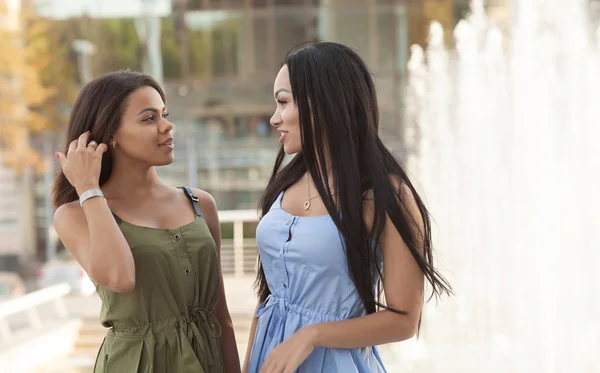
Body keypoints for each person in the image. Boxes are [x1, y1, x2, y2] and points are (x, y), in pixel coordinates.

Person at [242, 42, 452, 373]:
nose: (274, 118)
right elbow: (267, 297)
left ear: (320, 103)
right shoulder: (287, 182)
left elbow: (403, 319)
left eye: (283, 102)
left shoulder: (383, 196)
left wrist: (311, 335)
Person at [52, 70, 240, 373]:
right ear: (110, 133)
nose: (167, 126)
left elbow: (221, 315)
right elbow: (120, 277)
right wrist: (89, 189)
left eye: (164, 114)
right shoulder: (74, 215)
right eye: (149, 118)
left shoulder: (200, 204)